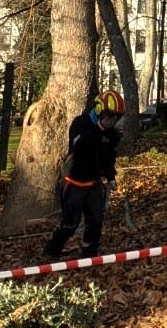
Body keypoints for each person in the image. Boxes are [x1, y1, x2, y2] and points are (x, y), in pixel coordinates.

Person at [44, 89, 124, 259]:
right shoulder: (81, 123)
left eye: (116, 117)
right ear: (99, 111)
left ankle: (89, 255)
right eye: (109, 116)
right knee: (70, 224)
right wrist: (98, 128)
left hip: (94, 184)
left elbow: (109, 157)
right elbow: (78, 145)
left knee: (95, 221)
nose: (112, 121)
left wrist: (111, 177)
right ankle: (52, 251)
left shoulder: (113, 135)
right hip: (73, 182)